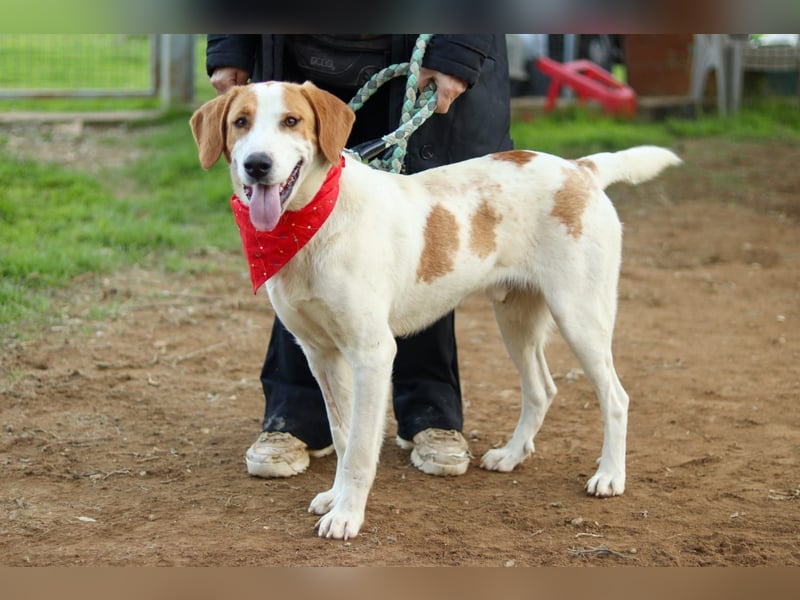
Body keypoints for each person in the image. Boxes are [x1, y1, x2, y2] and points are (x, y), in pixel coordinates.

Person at [205, 34, 513, 479]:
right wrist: (230, 46)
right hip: (299, 45)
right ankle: (296, 415)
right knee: (304, 266)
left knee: (424, 250)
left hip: (426, 48)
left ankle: (430, 410)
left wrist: (457, 49)